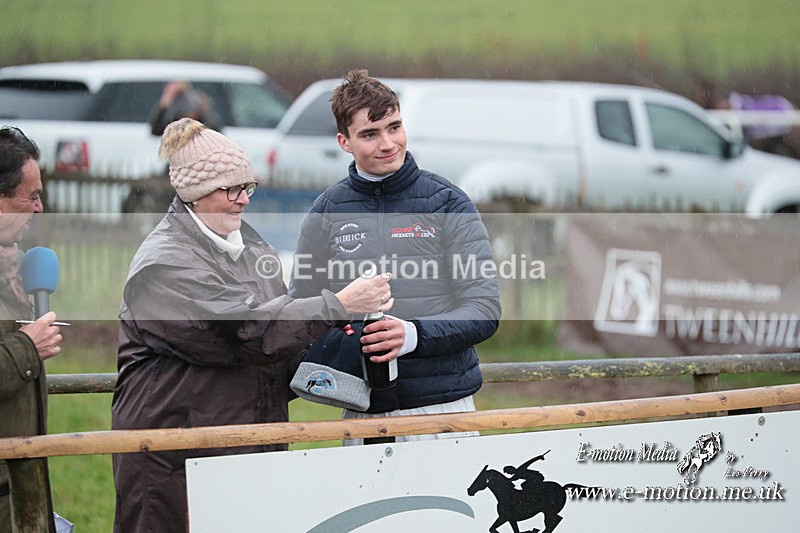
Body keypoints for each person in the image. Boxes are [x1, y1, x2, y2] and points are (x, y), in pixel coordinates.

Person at [111, 118, 392, 533]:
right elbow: (245, 334)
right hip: (176, 457)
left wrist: (355, 344)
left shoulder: (248, 244)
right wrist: (338, 305)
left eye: (248, 188)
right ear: (194, 192)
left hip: (245, 447)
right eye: (232, 189)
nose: (244, 200)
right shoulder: (165, 265)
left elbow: (281, 335)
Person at [289, 69, 501, 445]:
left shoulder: (448, 202)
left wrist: (413, 335)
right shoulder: (324, 213)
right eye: (370, 134)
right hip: (360, 411)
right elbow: (301, 315)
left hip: (442, 409)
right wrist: (343, 325)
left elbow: (483, 309)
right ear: (344, 141)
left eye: (394, 127)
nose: (388, 143)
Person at [0, 126, 64, 532]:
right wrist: (26, 346)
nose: (40, 209)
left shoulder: (17, 271)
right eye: (32, 196)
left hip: (18, 483)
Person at [148, 81, 223, 136]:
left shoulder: (205, 122)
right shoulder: (175, 123)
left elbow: (217, 132)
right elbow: (156, 131)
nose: (188, 118)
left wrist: (203, 111)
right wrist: (165, 101)